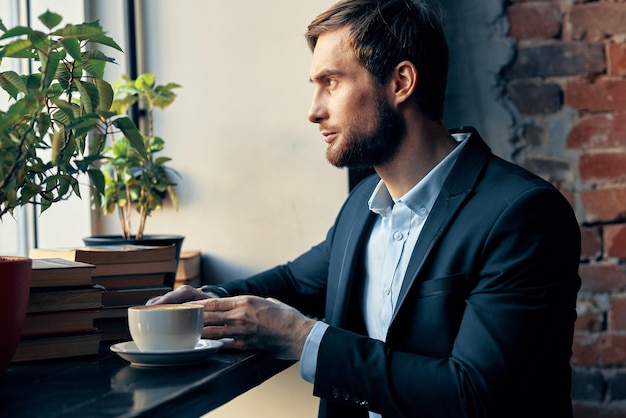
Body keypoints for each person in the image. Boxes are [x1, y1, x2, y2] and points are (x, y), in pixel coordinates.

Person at [148, 0, 581, 417]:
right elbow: (296, 280)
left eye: (331, 82)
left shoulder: (523, 215)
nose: (314, 111)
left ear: (401, 82)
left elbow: (473, 395)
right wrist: (209, 302)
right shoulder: (363, 203)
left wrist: (302, 337)